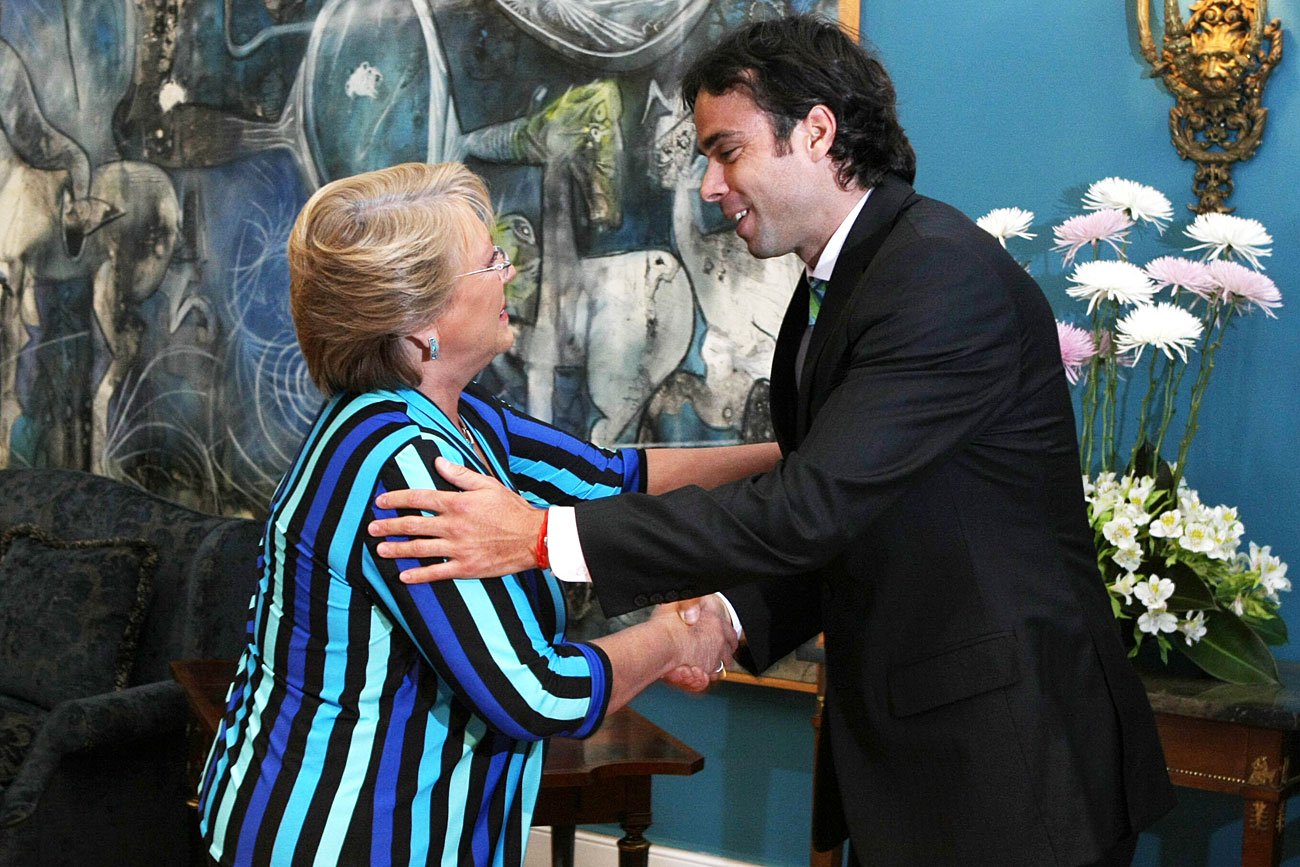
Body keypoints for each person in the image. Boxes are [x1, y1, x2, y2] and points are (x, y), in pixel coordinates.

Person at [367, 15, 1179, 867]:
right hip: (932, 765)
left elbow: (809, 505)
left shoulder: (939, 275)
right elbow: (854, 515)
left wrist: (541, 535)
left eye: (727, 152)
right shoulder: (848, 279)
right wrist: (727, 616)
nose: (709, 186)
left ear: (818, 132)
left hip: (1014, 770)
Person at [195, 161, 780, 866]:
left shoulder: (457, 420)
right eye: (490, 262)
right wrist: (674, 640)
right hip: (342, 838)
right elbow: (535, 692)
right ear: (420, 325)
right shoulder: (401, 468)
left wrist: (797, 457)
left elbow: (616, 478)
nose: (510, 273)